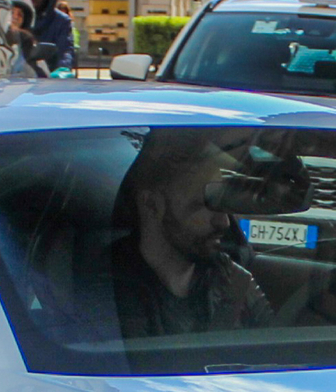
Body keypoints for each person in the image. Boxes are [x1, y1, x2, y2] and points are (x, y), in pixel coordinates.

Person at [108, 128, 277, 342]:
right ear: (151, 204)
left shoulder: (229, 278)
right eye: (202, 206)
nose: (223, 222)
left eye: (220, 203)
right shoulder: (109, 290)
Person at [20, 0, 76, 66]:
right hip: (18, 73)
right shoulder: (18, 16)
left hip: (49, 73)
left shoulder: (61, 22)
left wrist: (62, 69)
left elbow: (65, 51)